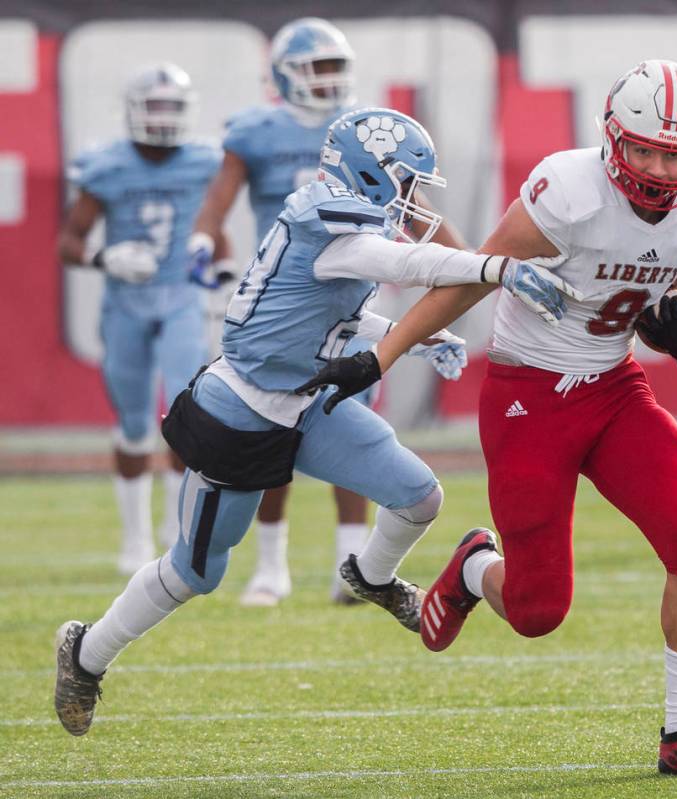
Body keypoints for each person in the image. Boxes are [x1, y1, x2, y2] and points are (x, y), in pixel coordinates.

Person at [299, 61, 677, 777]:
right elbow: (469, 275)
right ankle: (475, 563)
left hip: (614, 388)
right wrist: (382, 356)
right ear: (614, 140)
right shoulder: (568, 193)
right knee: (538, 610)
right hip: (528, 395)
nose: (661, 168)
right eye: (645, 149)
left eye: (676, 154)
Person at [53, 106, 576, 737]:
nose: (414, 198)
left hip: (309, 397)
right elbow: (413, 268)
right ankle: (86, 654)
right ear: (371, 174)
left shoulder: (339, 219)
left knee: (419, 497)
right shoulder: (332, 226)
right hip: (243, 409)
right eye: (406, 180)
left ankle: (370, 577)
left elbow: (331, 321)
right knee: (196, 572)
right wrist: (498, 266)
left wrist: (413, 340)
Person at [189, 17, 454, 607]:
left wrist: (472, 264)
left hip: (348, 299)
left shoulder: (368, 130)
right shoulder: (256, 131)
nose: (328, 79)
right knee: (270, 427)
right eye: (316, 67)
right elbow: (217, 205)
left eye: (336, 67)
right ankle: (271, 564)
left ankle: (350, 563)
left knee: (354, 427)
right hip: (283, 305)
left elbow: (413, 209)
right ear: (282, 75)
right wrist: (205, 243)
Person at [57, 63, 224, 575]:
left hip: (180, 299)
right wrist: (104, 258)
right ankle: (133, 539)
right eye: (153, 105)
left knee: (181, 415)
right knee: (132, 426)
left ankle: (175, 535)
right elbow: (70, 242)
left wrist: (221, 270)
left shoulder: (202, 161)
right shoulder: (105, 166)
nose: (162, 117)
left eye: (171, 106)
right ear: (132, 110)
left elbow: (216, 231)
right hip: (126, 303)